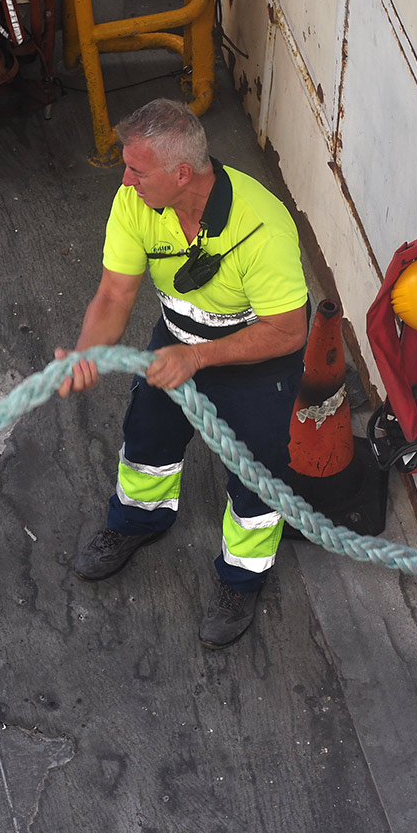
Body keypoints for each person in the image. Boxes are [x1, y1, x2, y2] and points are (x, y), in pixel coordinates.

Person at [55, 98, 308, 648]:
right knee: (147, 435)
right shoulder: (135, 203)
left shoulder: (262, 225)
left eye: (136, 170)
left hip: (256, 360)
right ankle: (138, 520)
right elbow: (115, 293)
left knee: (257, 469)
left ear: (182, 173)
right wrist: (85, 354)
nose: (125, 179)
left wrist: (197, 358)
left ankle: (242, 578)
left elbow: (289, 331)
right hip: (177, 340)